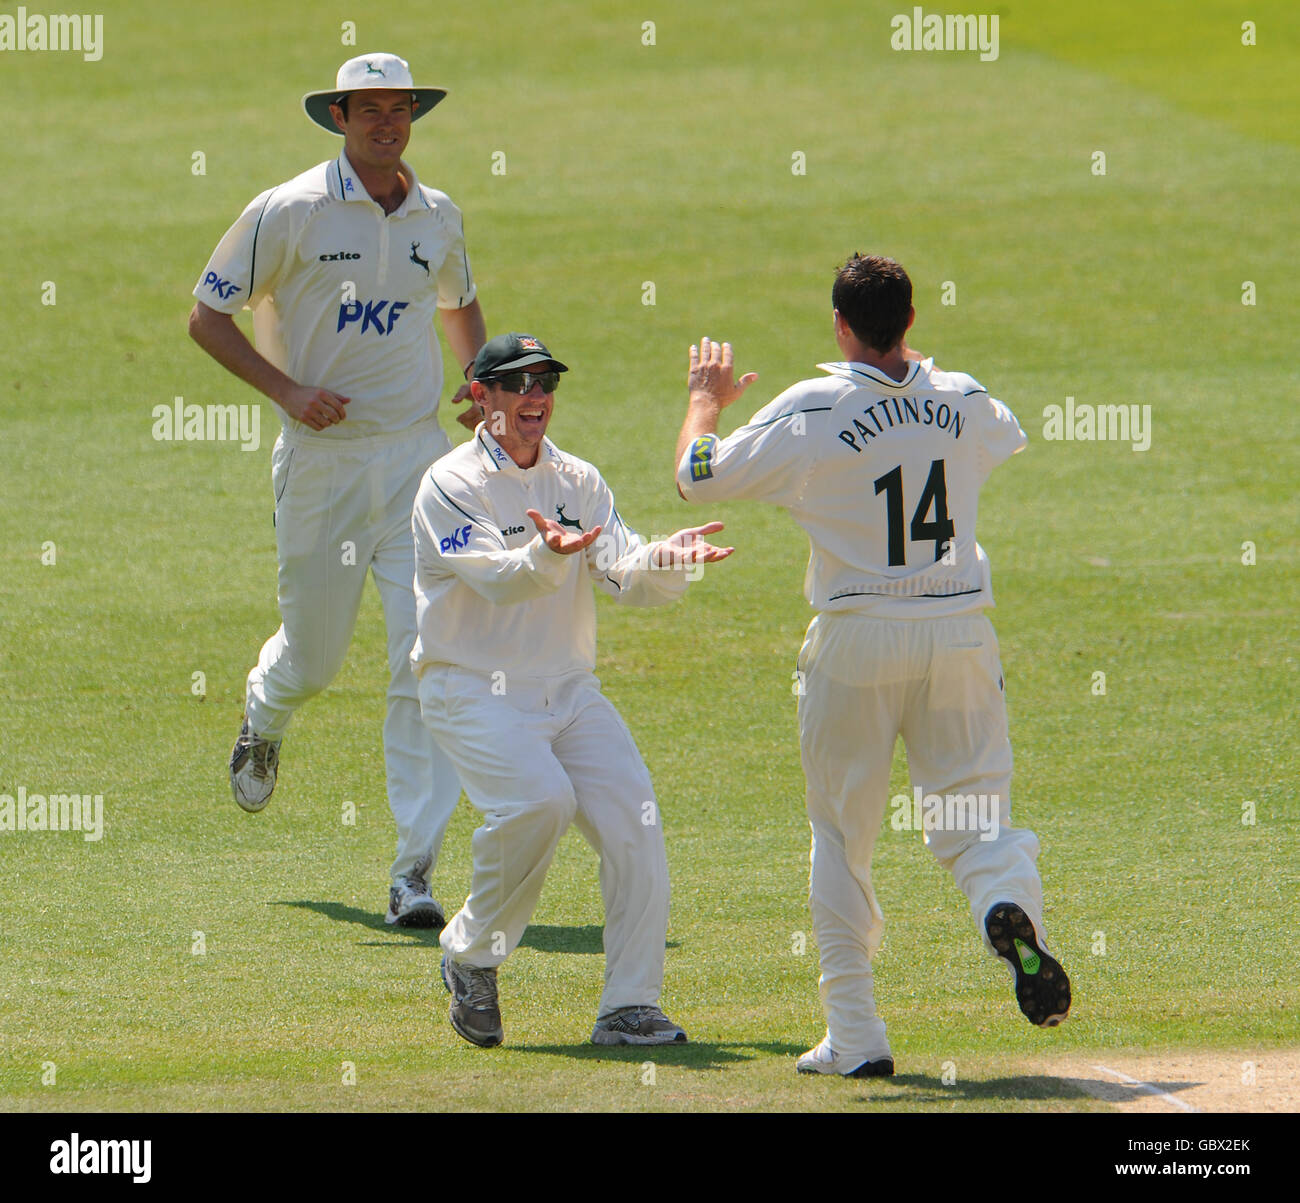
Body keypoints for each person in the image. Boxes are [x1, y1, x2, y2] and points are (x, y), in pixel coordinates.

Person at [674, 255, 1071, 1077]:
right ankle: (1005, 906)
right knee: (974, 817)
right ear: (913, 319)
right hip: (959, 629)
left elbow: (695, 478)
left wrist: (706, 401)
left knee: (840, 835)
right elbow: (1002, 430)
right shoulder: (963, 397)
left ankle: (856, 1035)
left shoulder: (811, 407)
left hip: (855, 636)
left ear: (840, 326)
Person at [188, 53, 486, 928]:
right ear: (340, 118)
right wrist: (286, 393)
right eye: (370, 110)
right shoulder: (288, 210)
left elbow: (457, 299)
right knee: (314, 657)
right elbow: (207, 315)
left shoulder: (439, 214)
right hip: (321, 465)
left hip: (419, 463)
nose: (387, 124)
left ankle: (414, 871)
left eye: (400, 110)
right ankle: (264, 710)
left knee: (424, 656)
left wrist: (481, 379)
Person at [412, 332, 733, 1047]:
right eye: (519, 382)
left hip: (568, 688)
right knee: (541, 801)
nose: (536, 396)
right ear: (481, 395)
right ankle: (470, 953)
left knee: (636, 825)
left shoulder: (579, 481)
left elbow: (621, 573)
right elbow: (496, 578)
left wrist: (665, 558)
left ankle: (628, 1006)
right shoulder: (449, 484)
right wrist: (543, 552)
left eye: (547, 382)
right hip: (470, 687)